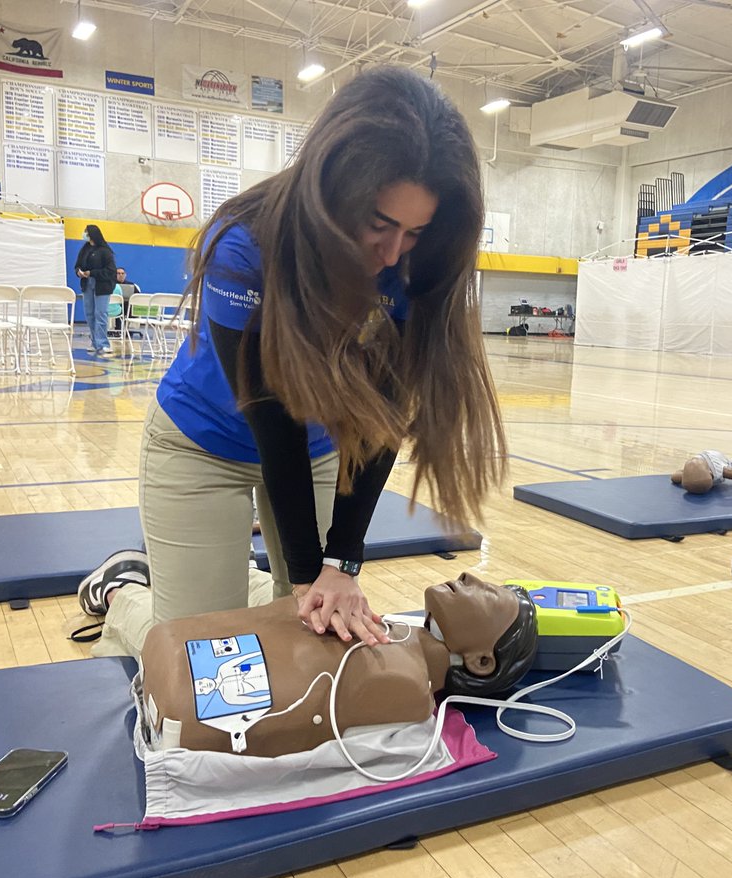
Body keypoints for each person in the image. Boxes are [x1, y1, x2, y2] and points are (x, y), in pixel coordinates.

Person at [81, 67, 506, 659]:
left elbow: (382, 420)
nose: (391, 252)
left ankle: (242, 590)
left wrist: (343, 564)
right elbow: (270, 417)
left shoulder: (412, 265)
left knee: (314, 631)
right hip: (204, 442)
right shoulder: (243, 245)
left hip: (322, 450)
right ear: (331, 191)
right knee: (198, 655)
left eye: (414, 231)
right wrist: (312, 574)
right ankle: (128, 591)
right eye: (379, 224)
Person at [138, 571, 537, 756]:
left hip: (181, 693)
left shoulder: (404, 684)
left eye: (490, 595)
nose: (471, 575)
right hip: (177, 663)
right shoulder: (390, 634)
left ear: (482, 661)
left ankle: (118, 594)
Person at [74, 224, 117, 358]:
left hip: (102, 286)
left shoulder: (105, 251)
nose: (84, 234)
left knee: (101, 313)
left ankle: (103, 343)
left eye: (86, 232)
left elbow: (110, 271)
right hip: (87, 285)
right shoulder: (85, 249)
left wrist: (92, 273)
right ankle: (94, 342)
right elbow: (78, 265)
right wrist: (79, 272)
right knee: (89, 314)